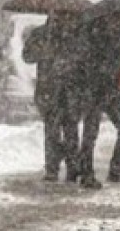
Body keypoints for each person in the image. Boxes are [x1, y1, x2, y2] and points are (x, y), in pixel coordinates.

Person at [74, 20, 120, 187]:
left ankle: (115, 169)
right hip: (96, 88)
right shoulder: (91, 36)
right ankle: (87, 173)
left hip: (112, 89)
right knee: (91, 132)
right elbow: (82, 63)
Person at [24, 14, 80, 182]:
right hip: (49, 90)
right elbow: (27, 57)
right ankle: (53, 168)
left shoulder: (73, 35)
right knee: (53, 130)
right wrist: (42, 50)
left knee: (70, 130)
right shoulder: (40, 34)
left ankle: (71, 167)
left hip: (69, 90)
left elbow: (82, 59)